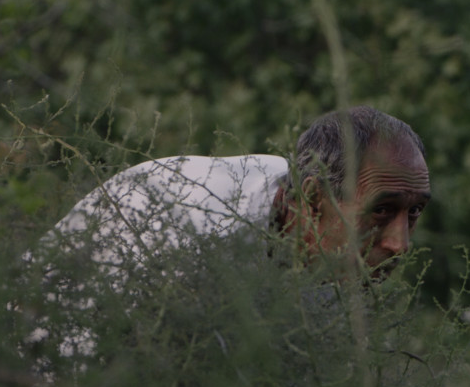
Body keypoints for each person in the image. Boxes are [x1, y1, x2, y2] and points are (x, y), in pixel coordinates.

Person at [28, 105, 430, 358]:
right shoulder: (195, 236)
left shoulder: (317, 242)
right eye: (381, 211)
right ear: (313, 199)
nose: (399, 244)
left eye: (413, 213)